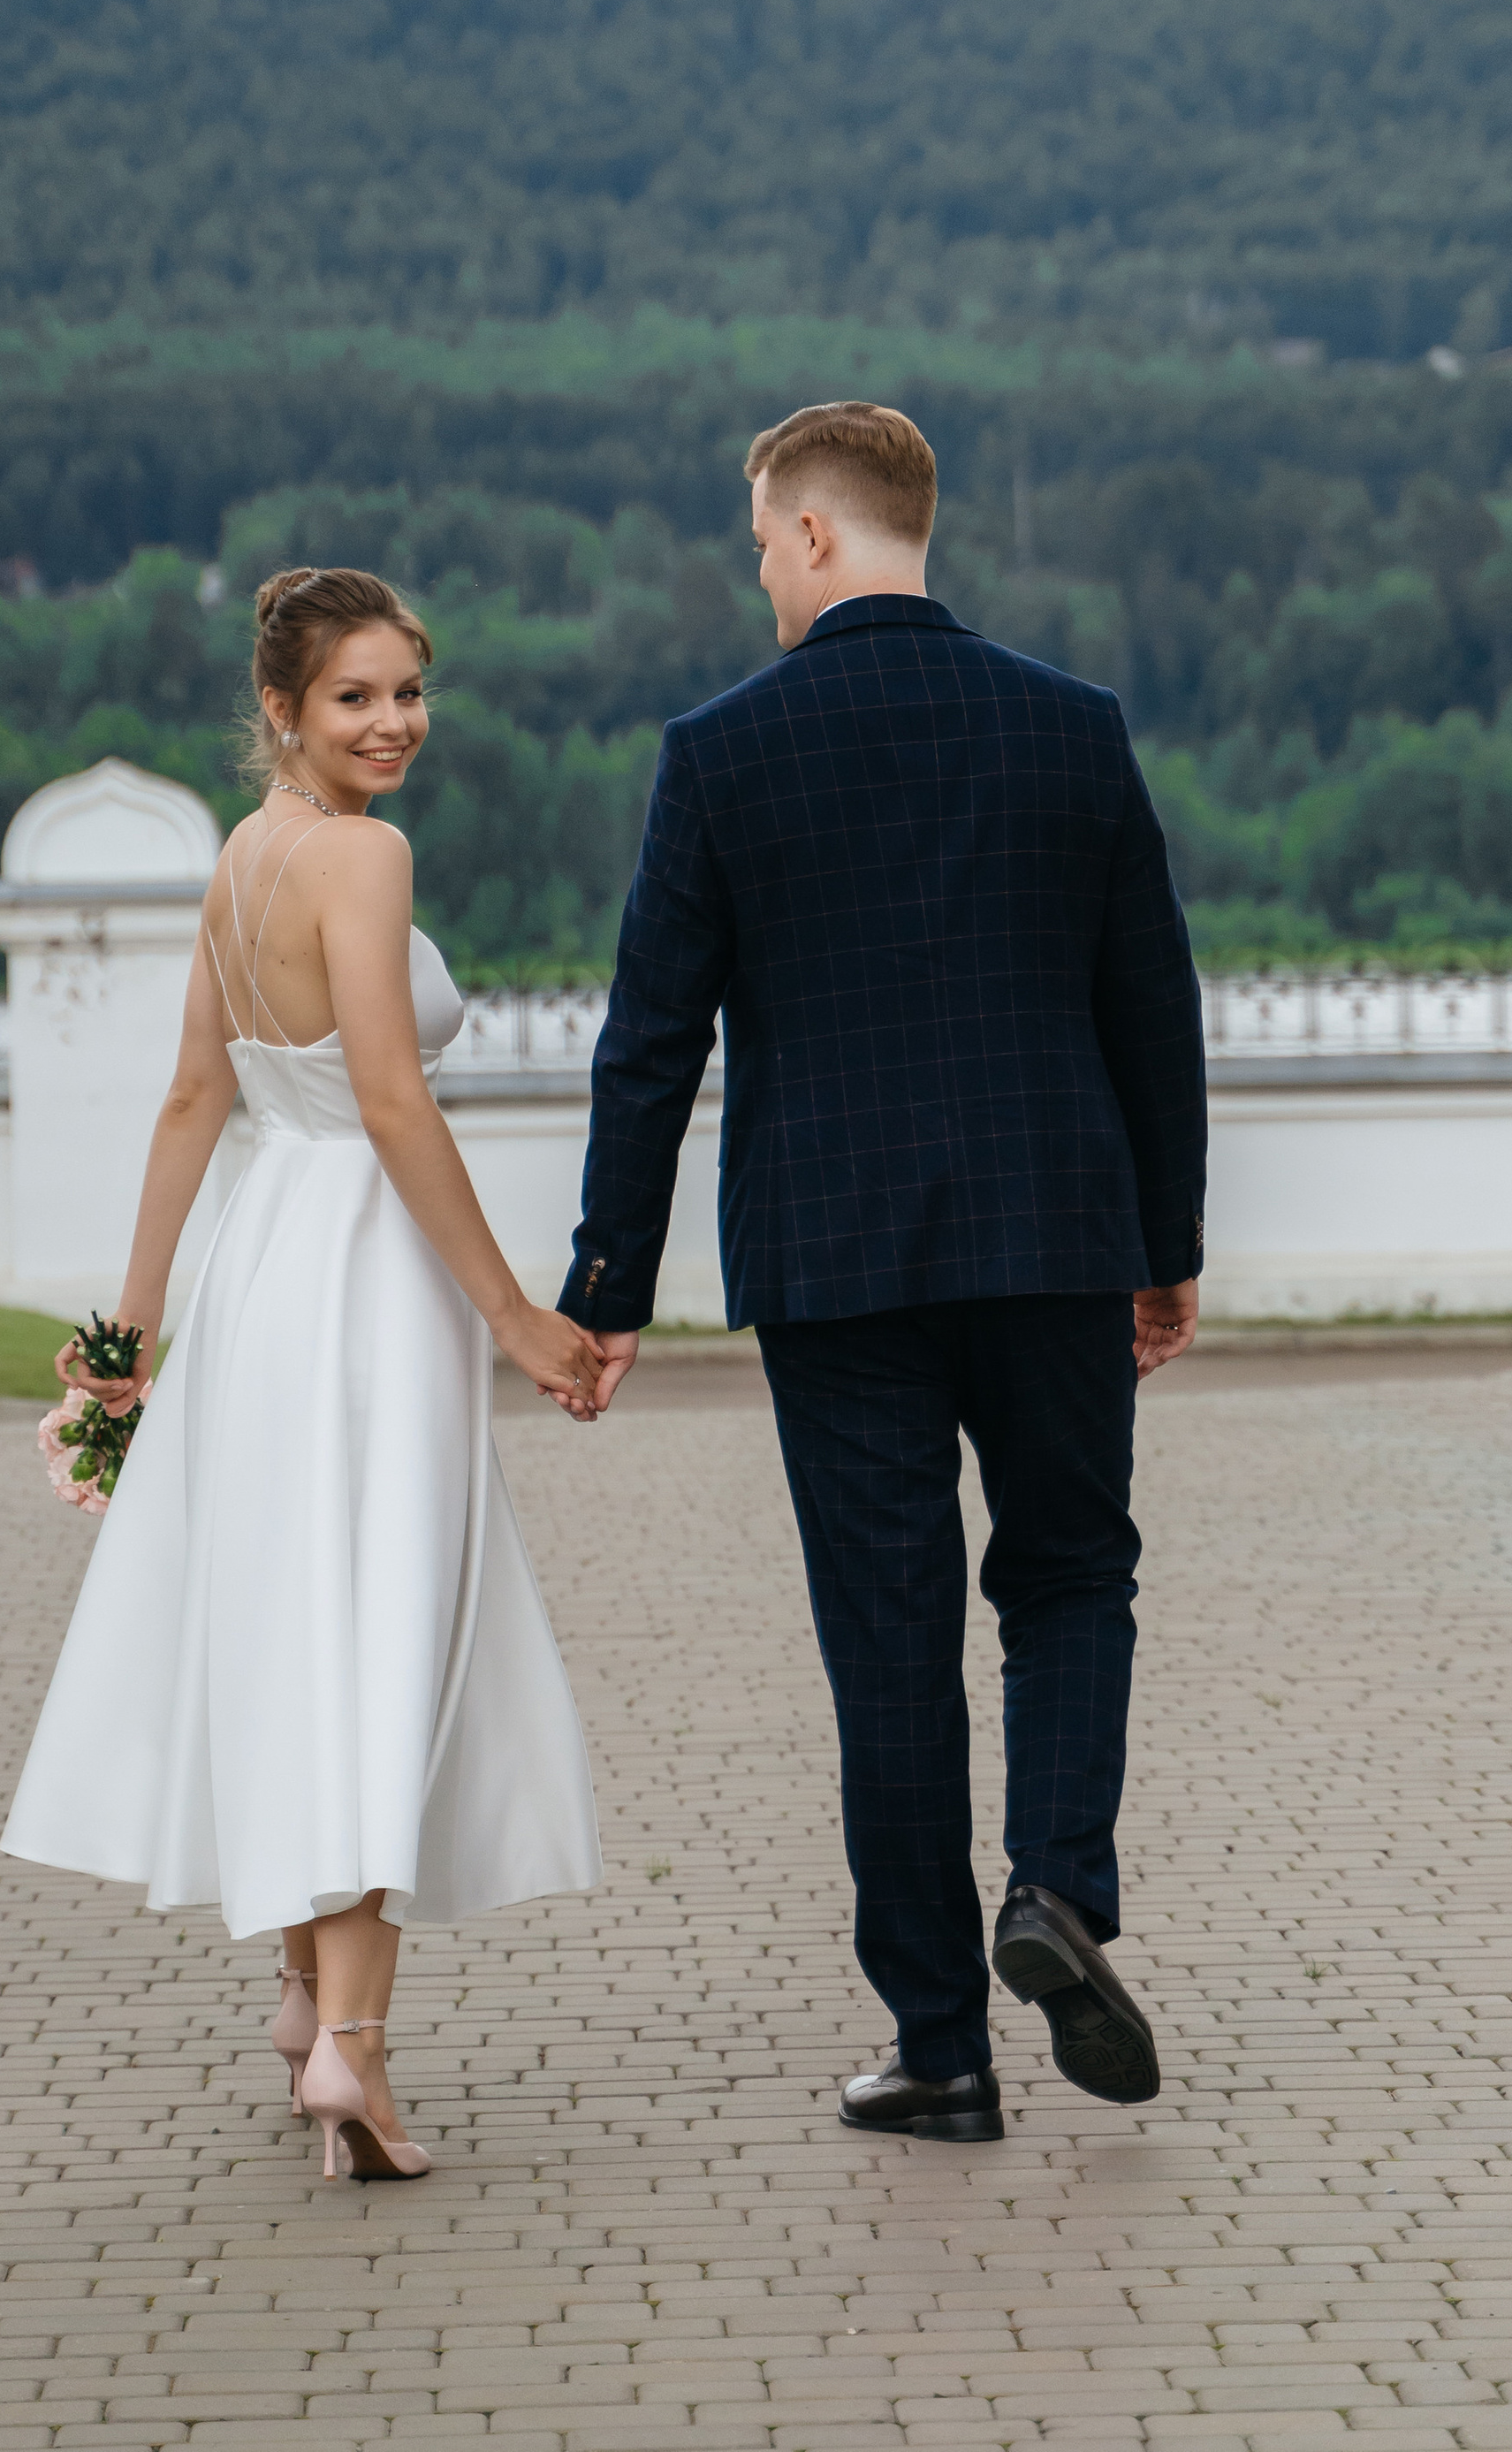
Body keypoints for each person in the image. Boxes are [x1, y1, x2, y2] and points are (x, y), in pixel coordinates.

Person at [560, 403, 1207, 2144]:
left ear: (824, 532)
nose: (759, 566)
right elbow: (1151, 1011)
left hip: (834, 1258)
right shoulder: (1072, 731)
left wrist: (605, 1276)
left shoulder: (718, 751)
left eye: (765, 537)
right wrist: (1167, 1249)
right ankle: (1055, 1884)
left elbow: (651, 1040)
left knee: (890, 1638)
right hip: (1057, 1235)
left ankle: (938, 2046)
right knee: (1069, 1570)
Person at [2, 566, 605, 2185]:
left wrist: (133, 1346)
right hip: (365, 1273)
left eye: (409, 690)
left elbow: (193, 1103)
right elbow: (397, 1109)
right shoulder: (362, 854)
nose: (393, 721)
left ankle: (294, 1995)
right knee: (376, 1635)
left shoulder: (238, 859)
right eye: (356, 695)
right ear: (284, 707)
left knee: (290, 1620)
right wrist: (514, 1314)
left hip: (260, 1269)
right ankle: (357, 2047)